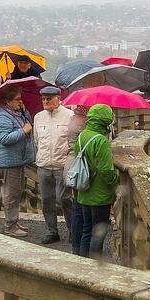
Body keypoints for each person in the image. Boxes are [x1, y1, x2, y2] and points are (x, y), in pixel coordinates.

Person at [73, 104, 119, 258]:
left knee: (86, 228)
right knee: (97, 232)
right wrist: (116, 181)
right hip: (100, 194)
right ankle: (93, 263)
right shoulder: (101, 141)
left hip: (84, 190)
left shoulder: (82, 135)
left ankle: (83, 260)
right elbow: (106, 171)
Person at [0, 86, 36, 237]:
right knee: (11, 194)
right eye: (17, 99)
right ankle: (9, 226)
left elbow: (30, 124)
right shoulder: (2, 117)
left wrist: (25, 111)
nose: (20, 101)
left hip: (18, 159)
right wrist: (23, 131)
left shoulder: (16, 113)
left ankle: (14, 222)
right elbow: (4, 139)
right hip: (9, 161)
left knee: (17, 192)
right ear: (7, 101)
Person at [33, 86, 74, 244]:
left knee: (64, 199)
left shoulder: (69, 116)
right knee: (47, 200)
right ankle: (52, 231)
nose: (45, 102)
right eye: (43, 99)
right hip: (43, 164)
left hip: (62, 165)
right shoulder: (38, 117)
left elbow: (72, 142)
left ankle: (72, 230)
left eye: (48, 99)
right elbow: (37, 140)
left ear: (58, 98)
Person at [66, 105, 89, 254]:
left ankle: (76, 244)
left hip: (72, 167)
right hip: (80, 169)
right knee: (81, 209)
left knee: (77, 207)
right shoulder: (82, 123)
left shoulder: (73, 118)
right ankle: (79, 245)